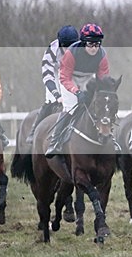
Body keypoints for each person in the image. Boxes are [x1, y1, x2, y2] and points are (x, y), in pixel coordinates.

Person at [45, 23, 113, 157]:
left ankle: (111, 138)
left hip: (88, 78)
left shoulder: (102, 56)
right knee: (71, 108)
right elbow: (64, 78)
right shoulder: (71, 53)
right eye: (90, 44)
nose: (94, 48)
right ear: (83, 42)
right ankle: (55, 141)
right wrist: (76, 91)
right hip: (70, 79)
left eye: (97, 44)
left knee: (100, 106)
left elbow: (103, 79)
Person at [26, 25, 80, 143]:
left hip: (72, 73)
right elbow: (47, 75)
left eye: (71, 45)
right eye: (65, 46)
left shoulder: (81, 49)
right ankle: (34, 131)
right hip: (56, 72)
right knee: (51, 101)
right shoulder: (52, 50)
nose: (68, 49)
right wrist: (57, 95)